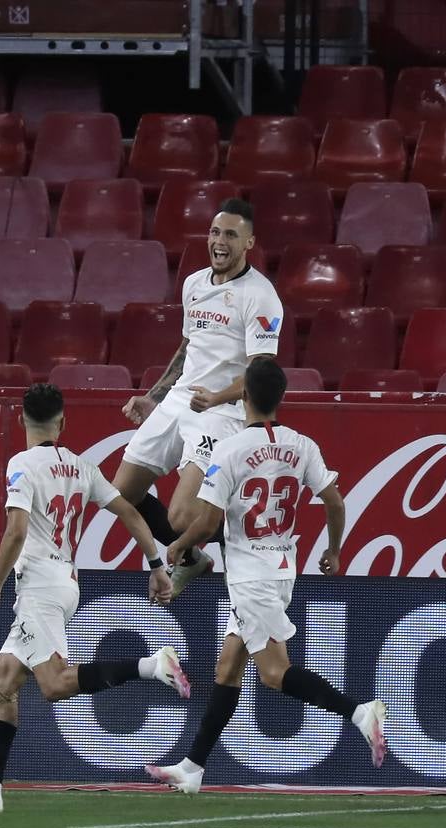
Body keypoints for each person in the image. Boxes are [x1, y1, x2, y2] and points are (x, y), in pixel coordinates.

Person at [0, 383, 189, 814]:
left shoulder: (21, 464)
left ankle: (152, 666)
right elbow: (130, 512)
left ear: (21, 419)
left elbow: (16, 531)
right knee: (2, 681)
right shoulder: (81, 467)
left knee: (54, 684)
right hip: (64, 583)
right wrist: (156, 565)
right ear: (63, 421)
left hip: (38, 587)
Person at [145, 358, 387, 793]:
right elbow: (334, 502)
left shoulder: (231, 449)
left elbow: (205, 520)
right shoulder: (303, 445)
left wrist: (179, 546)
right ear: (280, 397)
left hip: (251, 577)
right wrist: (332, 550)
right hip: (281, 568)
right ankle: (193, 767)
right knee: (228, 667)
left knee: (274, 674)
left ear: (243, 396)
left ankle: (358, 712)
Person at [112, 197, 284, 598]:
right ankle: (193, 560)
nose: (219, 241)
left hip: (221, 412)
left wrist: (217, 397)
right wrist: (154, 397)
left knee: (183, 514)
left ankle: (245, 545)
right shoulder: (193, 284)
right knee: (120, 495)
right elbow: (189, 346)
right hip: (179, 400)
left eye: (230, 235)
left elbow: (263, 372)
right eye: (214, 232)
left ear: (249, 243)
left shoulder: (261, 295)